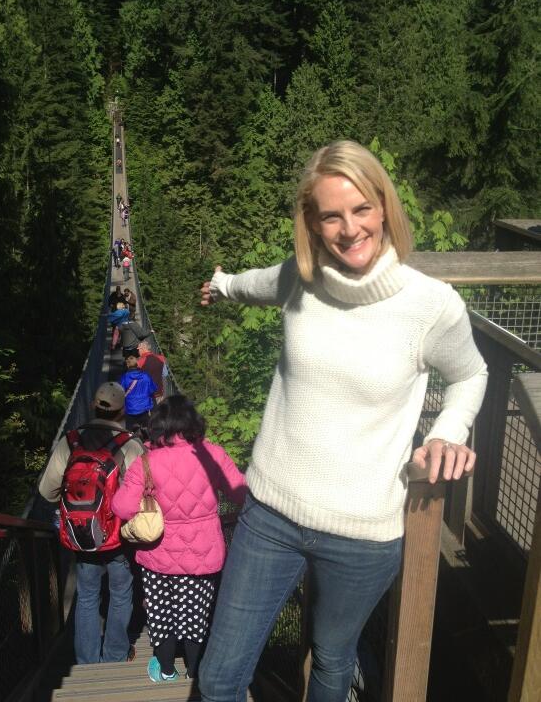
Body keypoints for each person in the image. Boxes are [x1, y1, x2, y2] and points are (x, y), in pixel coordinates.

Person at [198, 139, 488, 702]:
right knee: (218, 678)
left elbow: (471, 374)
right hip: (271, 514)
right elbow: (253, 284)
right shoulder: (299, 279)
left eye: (361, 209)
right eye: (331, 215)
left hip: (364, 533)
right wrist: (222, 285)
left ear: (384, 208)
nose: (350, 228)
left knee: (333, 661)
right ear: (311, 222)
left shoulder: (431, 305)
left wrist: (446, 434)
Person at [113, 396, 247, 683]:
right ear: (193, 423)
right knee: (195, 616)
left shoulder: (145, 462)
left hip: (157, 554)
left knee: (162, 614)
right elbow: (240, 494)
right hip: (203, 553)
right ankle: (194, 675)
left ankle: (166, 670)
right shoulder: (213, 454)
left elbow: (121, 508)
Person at [38, 382, 144, 664]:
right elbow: (145, 493)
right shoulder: (130, 445)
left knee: (86, 595)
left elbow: (46, 491)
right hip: (119, 535)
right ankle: (115, 655)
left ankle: (86, 661)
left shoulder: (71, 441)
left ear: (91, 406)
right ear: (123, 411)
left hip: (82, 533)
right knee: (120, 592)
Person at [119, 353, 157, 433]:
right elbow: (152, 390)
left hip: (130, 408)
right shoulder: (146, 376)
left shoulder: (124, 377)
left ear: (127, 365)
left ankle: (130, 437)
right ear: (137, 364)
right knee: (145, 431)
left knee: (129, 431)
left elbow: (120, 392)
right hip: (144, 408)